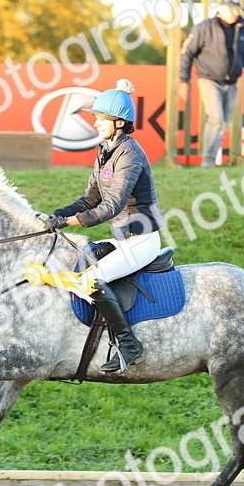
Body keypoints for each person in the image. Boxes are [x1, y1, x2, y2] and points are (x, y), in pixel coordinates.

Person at [44, 79, 164, 374]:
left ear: (120, 122)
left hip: (141, 239)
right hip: (123, 239)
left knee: (91, 281)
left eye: (100, 118)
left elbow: (110, 206)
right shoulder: (105, 151)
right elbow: (90, 199)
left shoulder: (130, 154)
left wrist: (68, 222)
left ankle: (129, 346)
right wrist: (55, 215)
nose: (95, 123)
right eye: (95, 118)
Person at [178, 0, 244, 169]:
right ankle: (207, 162)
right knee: (216, 119)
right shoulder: (204, 28)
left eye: (237, 9)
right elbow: (187, 53)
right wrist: (184, 80)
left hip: (231, 83)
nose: (234, 12)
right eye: (230, 8)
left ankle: (208, 160)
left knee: (224, 124)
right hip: (209, 79)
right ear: (220, 9)